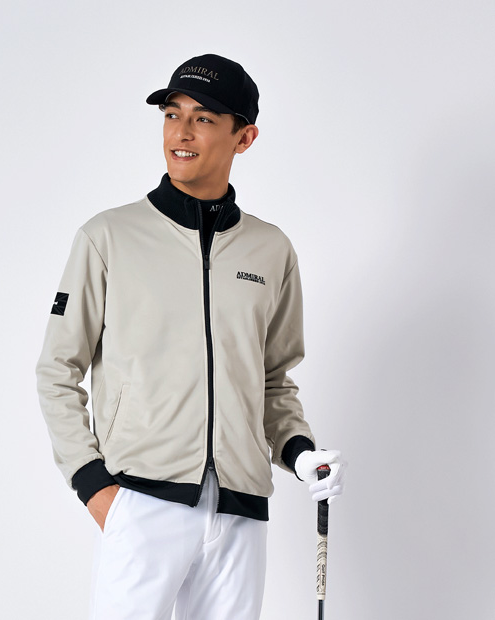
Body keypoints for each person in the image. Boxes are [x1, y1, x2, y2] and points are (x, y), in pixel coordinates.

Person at [36, 53, 347, 620]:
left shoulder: (271, 250)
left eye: (203, 118)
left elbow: (273, 380)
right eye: (172, 114)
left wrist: (300, 454)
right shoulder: (108, 237)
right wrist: (94, 485)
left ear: (244, 137)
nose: (181, 132)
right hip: (141, 499)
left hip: (240, 510)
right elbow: (58, 369)